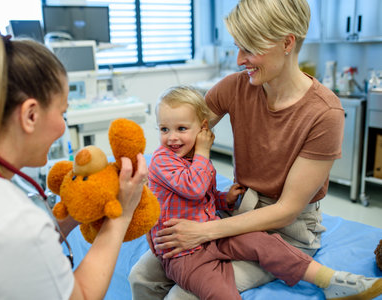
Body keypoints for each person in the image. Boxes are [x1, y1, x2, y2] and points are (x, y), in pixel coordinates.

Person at [128, 0, 382, 299]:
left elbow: (286, 210)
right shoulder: (235, 87)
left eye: (248, 49)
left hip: (287, 229)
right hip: (234, 213)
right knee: (141, 276)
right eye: (238, 47)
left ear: (287, 43)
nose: (239, 59)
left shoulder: (324, 112)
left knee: (182, 296)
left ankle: (332, 281)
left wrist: (203, 232)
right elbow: (180, 136)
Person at [0, 26, 147, 299]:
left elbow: (15, 251)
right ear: (30, 115)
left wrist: (69, 220)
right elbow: (79, 295)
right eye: (62, 111)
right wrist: (122, 215)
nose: (62, 126)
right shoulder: (18, 221)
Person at [143, 85, 382, 300]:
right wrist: (203, 152)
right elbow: (193, 188)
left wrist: (223, 199)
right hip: (185, 255)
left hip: (209, 235)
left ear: (203, 128)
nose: (171, 137)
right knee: (221, 292)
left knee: (263, 242)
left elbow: (203, 196)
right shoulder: (163, 159)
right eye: (164, 129)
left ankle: (329, 280)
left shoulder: (193, 159)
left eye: (181, 128)